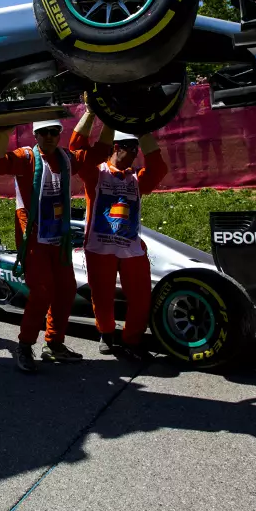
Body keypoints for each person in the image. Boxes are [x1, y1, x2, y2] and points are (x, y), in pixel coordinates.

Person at [0, 107, 112, 372]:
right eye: (44, 132)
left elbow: (99, 153)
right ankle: (24, 345)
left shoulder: (66, 158)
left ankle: (54, 344)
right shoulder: (26, 158)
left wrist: (104, 116)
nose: (50, 137)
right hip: (33, 240)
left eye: (55, 132)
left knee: (66, 290)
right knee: (42, 292)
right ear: (36, 134)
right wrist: (4, 131)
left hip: (59, 238)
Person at [69, 127, 168, 359]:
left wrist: (143, 131)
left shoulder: (137, 178)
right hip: (99, 245)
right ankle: (106, 332)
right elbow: (77, 151)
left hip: (130, 246)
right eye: (130, 148)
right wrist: (98, 119)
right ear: (115, 147)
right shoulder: (96, 172)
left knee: (142, 296)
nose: (135, 153)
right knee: (102, 296)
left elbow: (159, 168)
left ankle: (132, 338)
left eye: (137, 149)